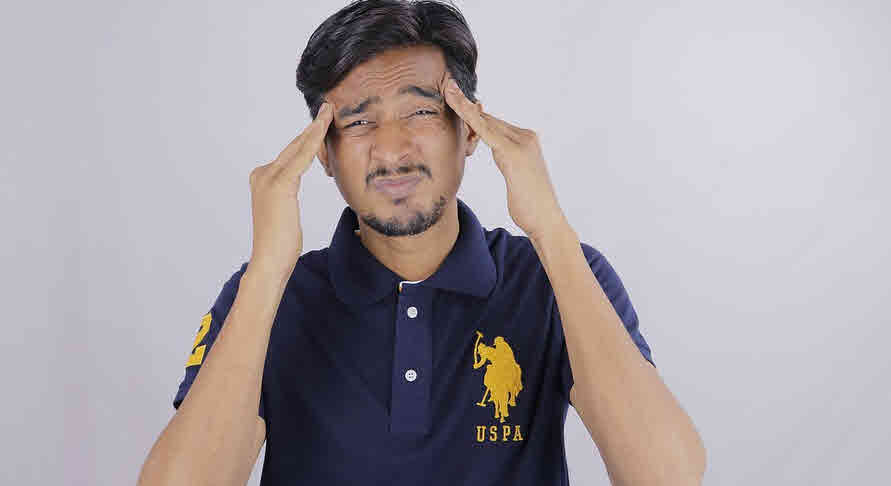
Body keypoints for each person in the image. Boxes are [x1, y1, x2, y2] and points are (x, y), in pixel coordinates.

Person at [137, 1, 706, 484]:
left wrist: (551, 230)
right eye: (358, 122)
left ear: (470, 131)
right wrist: (267, 269)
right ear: (324, 154)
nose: (392, 151)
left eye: (420, 111)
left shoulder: (559, 276)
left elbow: (667, 476)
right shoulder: (266, 295)